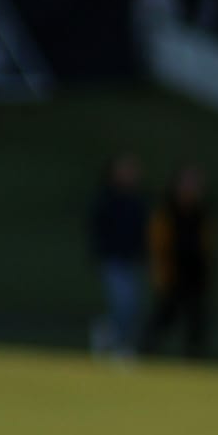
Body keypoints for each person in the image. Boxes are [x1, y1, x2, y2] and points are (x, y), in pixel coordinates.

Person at [83, 153, 149, 360]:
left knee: (132, 306)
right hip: (112, 259)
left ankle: (108, 334)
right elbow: (97, 230)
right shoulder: (106, 200)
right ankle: (120, 345)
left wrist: (142, 254)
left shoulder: (137, 202)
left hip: (131, 260)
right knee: (123, 303)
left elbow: (143, 232)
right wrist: (100, 253)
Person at [146, 162, 214, 359]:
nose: (191, 188)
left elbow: (207, 245)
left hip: (196, 275)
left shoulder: (202, 212)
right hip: (173, 273)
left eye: (194, 184)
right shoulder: (167, 211)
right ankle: (147, 350)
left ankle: (194, 357)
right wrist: (161, 273)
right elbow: (158, 245)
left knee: (197, 319)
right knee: (165, 315)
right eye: (186, 183)